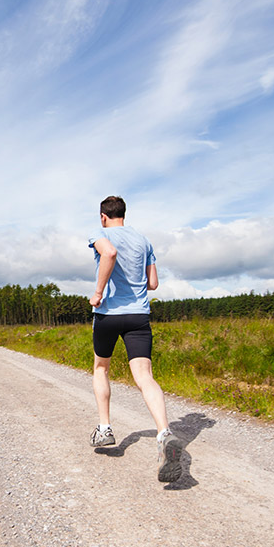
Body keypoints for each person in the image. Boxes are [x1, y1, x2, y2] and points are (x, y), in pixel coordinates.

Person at [88, 195, 183, 483]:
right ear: (123, 214)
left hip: (108, 314)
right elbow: (152, 283)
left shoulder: (100, 234)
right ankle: (164, 432)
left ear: (103, 216)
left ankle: (105, 428)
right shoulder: (144, 241)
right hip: (139, 316)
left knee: (101, 368)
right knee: (144, 376)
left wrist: (98, 292)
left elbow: (110, 254)